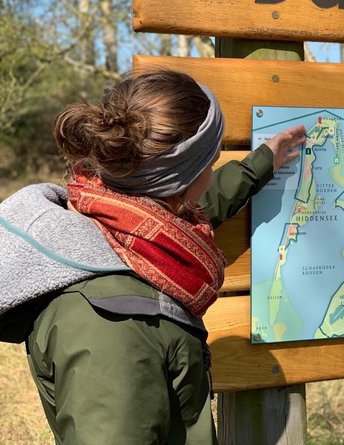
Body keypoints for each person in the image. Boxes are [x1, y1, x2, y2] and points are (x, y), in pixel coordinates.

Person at [0, 69, 306, 444]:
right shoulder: (111, 322)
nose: (212, 172)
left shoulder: (110, 215)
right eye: (210, 163)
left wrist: (260, 164)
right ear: (180, 180)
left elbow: (197, 207)